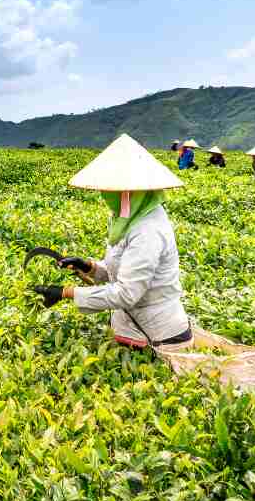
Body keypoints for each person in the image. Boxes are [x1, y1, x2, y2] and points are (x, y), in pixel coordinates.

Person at [30, 133, 193, 351]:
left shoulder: (148, 230)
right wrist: (90, 267)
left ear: (127, 192)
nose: (104, 195)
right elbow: (123, 271)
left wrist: (66, 292)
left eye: (109, 190)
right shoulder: (125, 218)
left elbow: (127, 292)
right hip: (131, 329)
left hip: (160, 336)